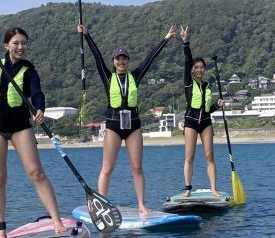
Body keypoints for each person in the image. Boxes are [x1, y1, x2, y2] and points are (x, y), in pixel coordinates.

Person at [0, 16, 66, 238]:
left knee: (36, 173)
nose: (20, 47)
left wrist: (39, 108)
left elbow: (37, 92)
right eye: (16, 43)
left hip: (20, 126)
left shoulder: (29, 70)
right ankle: (1, 230)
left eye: (24, 43)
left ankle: (56, 220)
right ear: (6, 46)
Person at [77, 23, 177, 214]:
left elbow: (151, 58)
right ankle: (102, 204)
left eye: (124, 58)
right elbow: (97, 57)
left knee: (137, 167)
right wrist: (87, 35)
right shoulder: (107, 77)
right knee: (107, 168)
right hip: (114, 125)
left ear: (127, 61)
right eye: (117, 58)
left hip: (133, 125)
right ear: (114, 61)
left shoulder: (136, 76)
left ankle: (141, 205)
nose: (121, 61)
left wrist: (165, 39)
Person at [179, 26, 224, 197]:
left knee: (209, 156)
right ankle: (188, 189)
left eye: (201, 67)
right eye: (196, 67)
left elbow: (208, 109)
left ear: (204, 69)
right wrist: (185, 42)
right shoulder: (188, 83)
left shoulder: (207, 86)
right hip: (191, 122)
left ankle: (213, 189)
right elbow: (187, 60)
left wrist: (217, 105)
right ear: (192, 69)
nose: (199, 70)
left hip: (206, 123)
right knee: (189, 156)